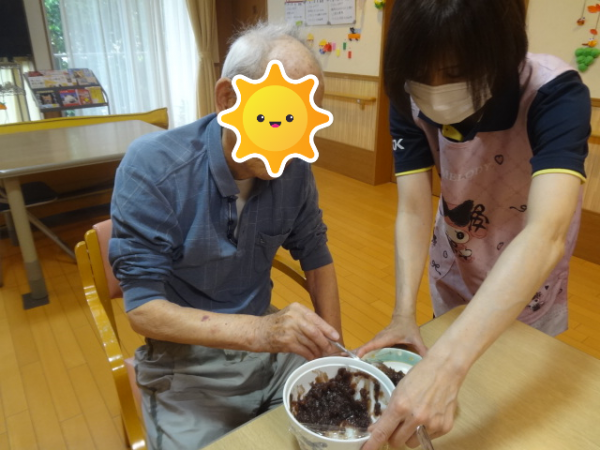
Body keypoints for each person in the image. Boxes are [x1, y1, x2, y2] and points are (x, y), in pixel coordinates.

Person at [358, 1, 591, 449]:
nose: (434, 90)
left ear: (499, 53)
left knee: (513, 411)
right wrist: (403, 314)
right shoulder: (408, 97)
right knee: (459, 401)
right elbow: (413, 209)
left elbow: (545, 234)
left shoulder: (553, 93)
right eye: (421, 75)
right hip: (456, 265)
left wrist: (445, 366)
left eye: (455, 72)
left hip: (527, 286)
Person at [109, 23, 343, 449]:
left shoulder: (294, 168)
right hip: (187, 360)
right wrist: (259, 333)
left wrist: (333, 349)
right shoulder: (153, 168)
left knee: (346, 427)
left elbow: (316, 253)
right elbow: (142, 310)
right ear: (227, 98)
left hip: (273, 351)